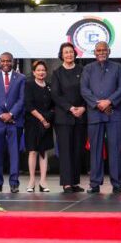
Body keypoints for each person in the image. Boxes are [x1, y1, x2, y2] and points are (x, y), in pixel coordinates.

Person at [80, 41, 121, 194]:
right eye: (98, 50)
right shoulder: (88, 68)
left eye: (104, 50)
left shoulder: (117, 67)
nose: (101, 52)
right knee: (95, 151)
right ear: (94, 53)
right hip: (95, 114)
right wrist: (97, 103)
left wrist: (109, 101)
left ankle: (117, 184)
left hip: (114, 114)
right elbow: (84, 89)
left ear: (109, 51)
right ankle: (94, 183)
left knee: (115, 150)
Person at [0, 52, 26, 193]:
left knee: (14, 154)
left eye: (8, 61)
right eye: (2, 61)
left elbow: (21, 99)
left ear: (13, 62)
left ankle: (14, 183)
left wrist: (11, 114)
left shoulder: (21, 78)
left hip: (14, 121)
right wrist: (0, 114)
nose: (5, 63)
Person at [50, 42, 87, 193]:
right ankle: (66, 183)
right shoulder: (57, 73)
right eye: (66, 52)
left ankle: (75, 182)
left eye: (71, 52)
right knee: (65, 151)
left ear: (75, 53)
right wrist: (70, 108)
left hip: (81, 116)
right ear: (61, 55)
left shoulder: (82, 70)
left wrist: (83, 107)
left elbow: (87, 90)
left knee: (77, 151)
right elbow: (55, 95)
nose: (69, 54)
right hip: (64, 117)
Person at [24, 60, 55, 192]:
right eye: (38, 70)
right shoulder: (29, 85)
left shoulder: (50, 86)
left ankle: (43, 181)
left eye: (43, 70)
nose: (41, 72)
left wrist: (47, 119)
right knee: (33, 151)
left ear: (46, 72)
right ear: (34, 72)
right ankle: (31, 180)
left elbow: (53, 105)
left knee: (44, 151)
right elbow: (29, 105)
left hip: (47, 124)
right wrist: (42, 119)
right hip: (33, 123)